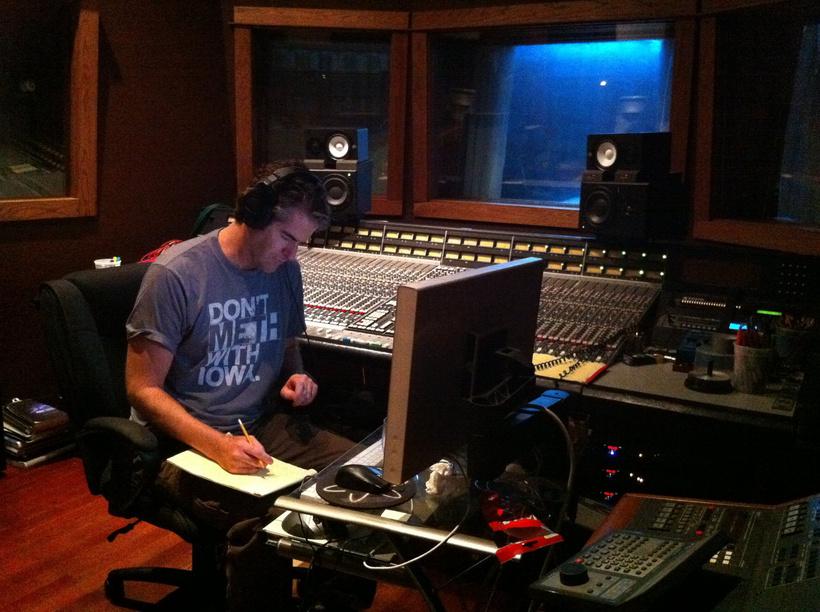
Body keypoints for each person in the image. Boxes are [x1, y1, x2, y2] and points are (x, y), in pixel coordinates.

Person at [125, 160, 359, 609]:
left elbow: (288, 345)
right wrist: (218, 447)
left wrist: (295, 376)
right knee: (271, 517)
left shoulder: (285, 272)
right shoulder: (177, 275)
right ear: (254, 214)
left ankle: (330, 600)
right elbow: (142, 390)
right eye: (288, 238)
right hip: (181, 445)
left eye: (301, 243)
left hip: (259, 426)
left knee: (360, 479)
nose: (293, 254)